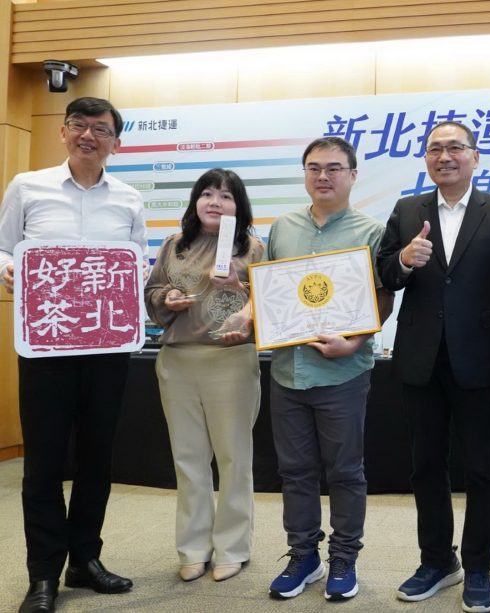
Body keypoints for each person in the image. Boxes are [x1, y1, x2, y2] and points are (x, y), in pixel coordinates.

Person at [0, 97, 143, 613]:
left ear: (115, 143)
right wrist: (7, 269)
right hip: (45, 344)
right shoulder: (27, 186)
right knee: (42, 461)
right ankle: (43, 574)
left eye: (100, 129)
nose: (88, 135)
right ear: (63, 133)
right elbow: (3, 247)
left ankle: (85, 559)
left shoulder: (129, 198)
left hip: (106, 349)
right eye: (78, 125)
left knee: (96, 458)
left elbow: (136, 263)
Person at [378, 121, 490, 613]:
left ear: (475, 156)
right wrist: (404, 259)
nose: (444, 156)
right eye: (435, 149)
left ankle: (479, 567)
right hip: (421, 357)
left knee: (482, 467)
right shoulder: (407, 210)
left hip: (480, 357)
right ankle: (438, 560)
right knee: (425, 466)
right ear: (426, 159)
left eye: (455, 148)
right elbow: (384, 273)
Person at [264, 136, 393, 602]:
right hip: (287, 371)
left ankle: (344, 558)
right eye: (314, 167)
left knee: (345, 472)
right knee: (295, 472)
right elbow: (271, 291)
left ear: (353, 175)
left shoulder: (371, 232)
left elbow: (383, 297)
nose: (323, 176)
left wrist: (354, 341)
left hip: (343, 373)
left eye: (334, 168)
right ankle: (304, 556)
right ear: (304, 174)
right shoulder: (282, 228)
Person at [144, 168, 263, 583]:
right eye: (208, 193)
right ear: (196, 200)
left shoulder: (254, 248)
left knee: (234, 458)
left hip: (231, 360)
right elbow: (151, 292)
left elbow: (271, 300)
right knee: (188, 458)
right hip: (177, 360)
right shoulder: (174, 245)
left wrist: (239, 288)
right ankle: (193, 547)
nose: (215, 202)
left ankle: (232, 547)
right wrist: (168, 297)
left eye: (226, 196)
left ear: (239, 206)